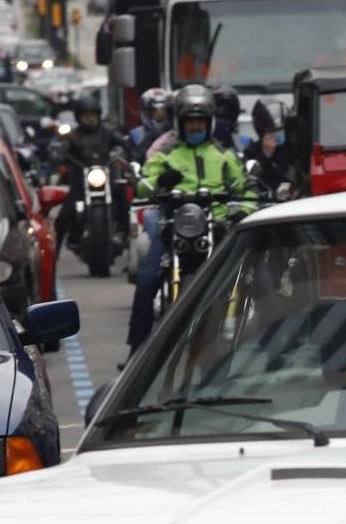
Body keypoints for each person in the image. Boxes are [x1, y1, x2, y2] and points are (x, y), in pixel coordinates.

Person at [125, 84, 255, 351]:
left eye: (200, 122)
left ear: (209, 123)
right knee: (147, 278)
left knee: (254, 275)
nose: (195, 128)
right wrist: (161, 180)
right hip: (174, 227)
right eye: (190, 122)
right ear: (179, 124)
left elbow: (247, 189)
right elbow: (141, 187)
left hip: (217, 226)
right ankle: (136, 351)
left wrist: (244, 210)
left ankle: (257, 343)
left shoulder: (224, 156)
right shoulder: (165, 155)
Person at [53, 101, 120, 246]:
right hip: (80, 184)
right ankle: (54, 258)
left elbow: (124, 145)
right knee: (63, 217)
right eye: (85, 116)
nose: (90, 119)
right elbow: (60, 150)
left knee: (123, 201)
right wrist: (59, 155)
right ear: (79, 118)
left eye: (93, 115)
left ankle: (123, 232)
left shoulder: (108, 132)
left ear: (98, 116)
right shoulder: (73, 136)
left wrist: (123, 152)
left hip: (107, 179)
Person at [128, 86, 171, 153]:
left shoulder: (177, 133)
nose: (160, 114)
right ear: (147, 112)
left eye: (163, 110)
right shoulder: (136, 134)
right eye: (154, 110)